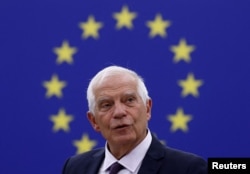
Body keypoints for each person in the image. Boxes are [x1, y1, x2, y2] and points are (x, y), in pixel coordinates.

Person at [62, 65, 207, 174]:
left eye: (129, 100)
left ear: (148, 108)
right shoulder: (74, 168)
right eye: (107, 105)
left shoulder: (188, 168)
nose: (119, 112)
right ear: (93, 121)